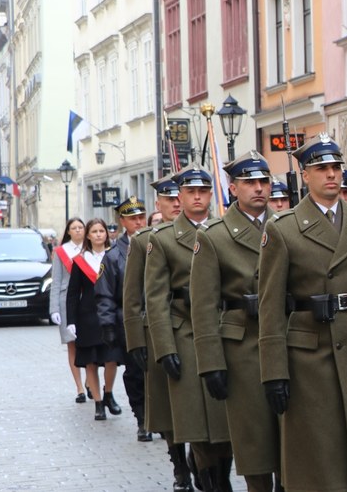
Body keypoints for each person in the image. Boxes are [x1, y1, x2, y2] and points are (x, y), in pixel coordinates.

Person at [257, 134, 347, 491]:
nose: (332, 175)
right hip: (311, 355)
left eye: (336, 167)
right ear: (305, 175)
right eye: (322, 169)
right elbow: (270, 306)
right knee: (320, 463)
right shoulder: (283, 229)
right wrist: (274, 372)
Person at [191, 152, 280, 491]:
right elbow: (204, 305)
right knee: (254, 441)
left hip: (287, 343)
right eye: (250, 183)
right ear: (232, 187)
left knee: (293, 441)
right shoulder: (214, 236)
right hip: (242, 347)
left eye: (264, 182)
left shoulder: (287, 225)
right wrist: (211, 363)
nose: (259, 189)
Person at [145, 166, 233, 490]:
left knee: (225, 421)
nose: (198, 197)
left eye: (204, 191)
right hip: (185, 332)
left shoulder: (224, 231)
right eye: (191, 191)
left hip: (224, 329)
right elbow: (156, 299)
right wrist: (166, 348)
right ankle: (208, 478)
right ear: (179, 196)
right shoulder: (163, 239)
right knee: (198, 422)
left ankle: (220, 474)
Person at [125, 174, 193, 490]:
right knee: (167, 408)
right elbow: (133, 296)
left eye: (179, 197)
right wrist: (136, 340)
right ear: (159, 203)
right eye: (170, 199)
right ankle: (179, 464)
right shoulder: (144, 241)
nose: (176, 203)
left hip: (195, 326)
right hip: (158, 332)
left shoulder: (204, 234)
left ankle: (201, 458)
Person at [97, 197, 149, 440]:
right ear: (122, 222)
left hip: (158, 319)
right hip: (128, 322)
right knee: (136, 372)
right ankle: (142, 418)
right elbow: (105, 294)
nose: (138, 222)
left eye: (141, 217)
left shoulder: (155, 243)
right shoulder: (113, 255)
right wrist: (108, 325)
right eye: (133, 218)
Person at [66, 218, 123, 421]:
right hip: (87, 317)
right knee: (90, 361)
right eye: (95, 231)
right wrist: (71, 321)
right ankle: (98, 403)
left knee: (111, 359)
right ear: (88, 236)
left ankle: (109, 393)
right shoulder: (80, 261)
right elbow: (73, 294)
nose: (99, 234)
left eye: (102, 231)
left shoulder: (115, 256)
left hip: (110, 315)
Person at [50, 217, 87, 403]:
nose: (78, 230)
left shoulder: (90, 250)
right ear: (69, 232)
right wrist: (54, 308)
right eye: (74, 227)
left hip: (87, 300)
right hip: (66, 302)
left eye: (81, 227)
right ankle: (79, 387)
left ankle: (90, 381)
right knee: (72, 344)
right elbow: (56, 282)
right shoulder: (61, 252)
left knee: (88, 342)